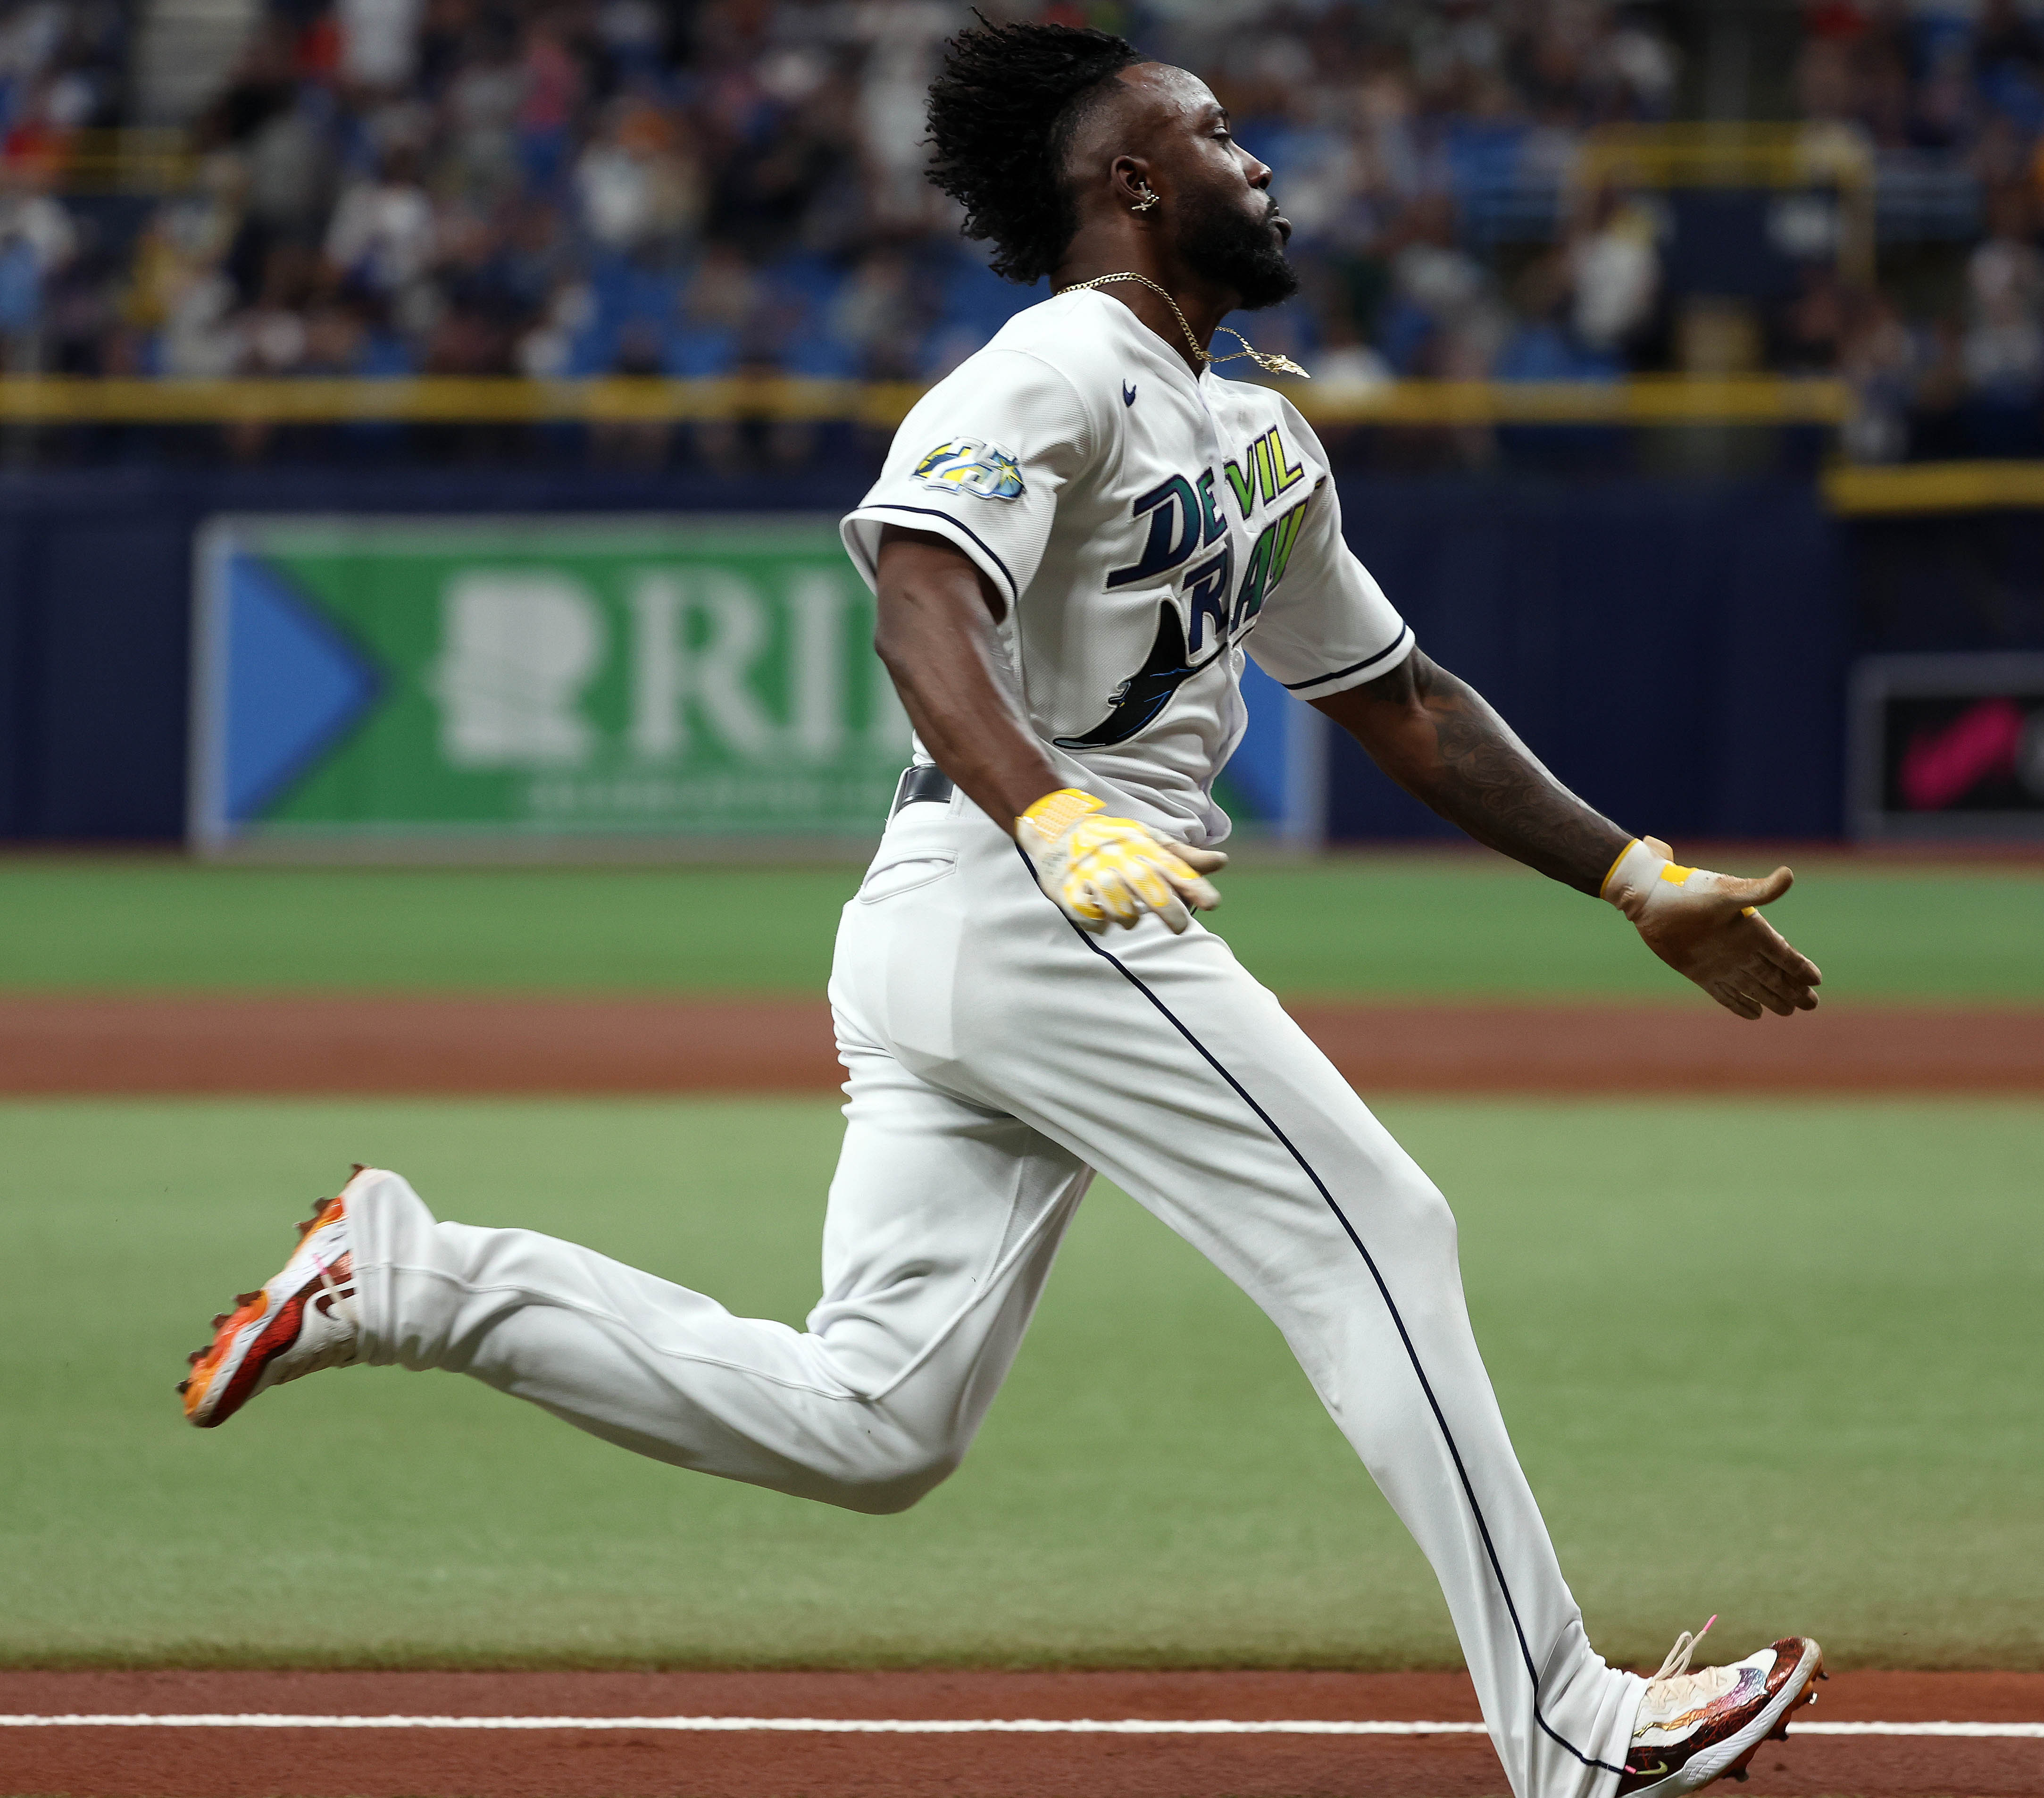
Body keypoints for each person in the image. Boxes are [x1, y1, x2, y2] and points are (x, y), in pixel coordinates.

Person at [174, 23, 1826, 1798]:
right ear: (1127, 184)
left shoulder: (1253, 426)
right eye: (1209, 134)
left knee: (876, 1420)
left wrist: (1631, 872)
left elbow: (1397, 696)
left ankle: (415, 1276)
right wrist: (1044, 812)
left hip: (982, 923)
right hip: (1032, 889)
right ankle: (1569, 1723)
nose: (1251, 159)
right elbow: (916, 598)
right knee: (1380, 1228)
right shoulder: (1047, 373)